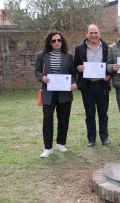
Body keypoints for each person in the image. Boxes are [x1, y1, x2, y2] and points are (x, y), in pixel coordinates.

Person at [34, 30, 77, 158]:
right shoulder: (41, 55)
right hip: (48, 92)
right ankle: (48, 148)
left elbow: (73, 74)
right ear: (49, 42)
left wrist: (74, 83)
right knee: (47, 119)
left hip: (64, 93)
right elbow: (37, 71)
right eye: (54, 41)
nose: (57, 42)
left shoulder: (68, 56)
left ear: (62, 41)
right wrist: (42, 78)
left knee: (63, 119)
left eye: (59, 40)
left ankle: (61, 143)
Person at [74, 24, 111, 147]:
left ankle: (104, 138)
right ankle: (91, 139)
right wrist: (78, 68)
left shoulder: (107, 48)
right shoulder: (79, 48)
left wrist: (109, 75)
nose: (94, 35)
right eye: (91, 33)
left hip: (102, 85)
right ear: (87, 34)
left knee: (103, 113)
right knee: (89, 114)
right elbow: (75, 65)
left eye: (96, 33)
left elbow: (111, 65)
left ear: (99, 33)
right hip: (87, 86)